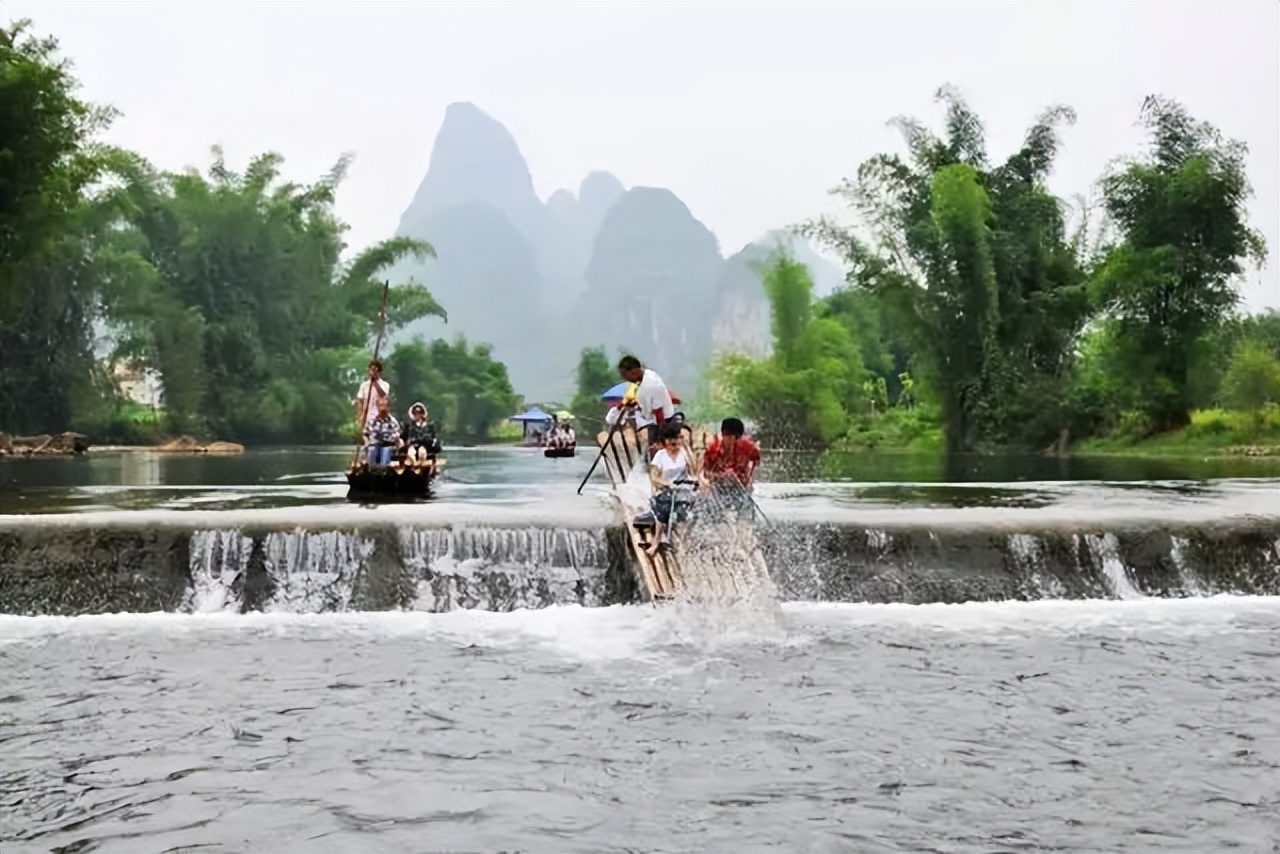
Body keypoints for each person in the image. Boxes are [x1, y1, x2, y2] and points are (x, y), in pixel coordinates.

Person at [644, 423, 698, 557]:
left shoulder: (684, 453)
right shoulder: (660, 455)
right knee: (663, 506)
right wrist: (667, 483)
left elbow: (694, 471)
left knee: (690, 508)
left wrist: (687, 448)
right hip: (665, 489)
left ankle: (684, 542)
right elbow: (654, 477)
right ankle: (656, 541)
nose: (673, 443)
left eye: (676, 439)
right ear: (665, 441)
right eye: (670, 439)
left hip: (683, 488)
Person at [614, 355, 673, 453]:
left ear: (634, 371)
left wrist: (660, 439)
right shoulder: (647, 376)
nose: (624, 378)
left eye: (624, 375)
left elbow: (659, 414)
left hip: (661, 422)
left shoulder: (650, 385)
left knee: (654, 452)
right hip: (652, 420)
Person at [701, 417, 761, 497]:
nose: (734, 442)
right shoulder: (713, 450)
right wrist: (721, 476)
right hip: (719, 488)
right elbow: (706, 474)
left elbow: (754, 467)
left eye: (738, 438)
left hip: (742, 488)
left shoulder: (749, 449)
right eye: (730, 438)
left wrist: (749, 480)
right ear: (723, 436)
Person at [363, 396, 402, 467]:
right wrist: (367, 443)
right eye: (380, 406)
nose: (382, 408)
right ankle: (371, 469)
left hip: (388, 445)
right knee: (371, 449)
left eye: (385, 406)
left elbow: (397, 435)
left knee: (386, 451)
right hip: (374, 445)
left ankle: (383, 470)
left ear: (389, 407)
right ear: (377, 407)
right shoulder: (372, 421)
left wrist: (391, 439)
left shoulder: (393, 422)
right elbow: (365, 434)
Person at [354, 360, 391, 434]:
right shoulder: (364, 385)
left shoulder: (385, 385)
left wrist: (375, 383)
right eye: (371, 370)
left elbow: (383, 395)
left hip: (379, 416)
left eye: (375, 370)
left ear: (380, 372)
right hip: (367, 415)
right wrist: (360, 416)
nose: (373, 372)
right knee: (366, 435)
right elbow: (360, 401)